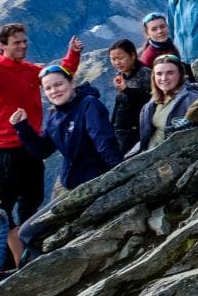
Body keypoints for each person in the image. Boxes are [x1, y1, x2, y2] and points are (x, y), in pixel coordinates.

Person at [0, 25, 82, 231]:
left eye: (24, 41)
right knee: (2, 201)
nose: (23, 46)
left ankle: (25, 239)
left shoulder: (29, 70)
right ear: (2, 46)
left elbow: (59, 76)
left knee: (33, 196)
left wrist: (73, 54)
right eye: (17, 43)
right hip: (6, 149)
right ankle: (3, 244)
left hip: (30, 142)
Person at [11, 64, 123, 259]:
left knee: (28, 232)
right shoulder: (55, 114)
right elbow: (43, 149)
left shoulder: (88, 105)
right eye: (48, 88)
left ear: (72, 83)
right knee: (29, 233)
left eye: (58, 84)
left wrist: (118, 177)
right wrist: (22, 127)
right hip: (72, 184)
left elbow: (104, 142)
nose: (54, 90)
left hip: (91, 183)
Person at [133, 55, 198, 154]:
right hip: (149, 152)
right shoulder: (155, 99)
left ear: (180, 74)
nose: (164, 78)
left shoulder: (192, 100)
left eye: (170, 73)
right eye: (159, 74)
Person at [106, 39, 151, 153]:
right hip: (121, 132)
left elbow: (149, 103)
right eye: (113, 59)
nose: (117, 63)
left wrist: (126, 90)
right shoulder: (122, 75)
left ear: (133, 55)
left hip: (136, 132)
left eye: (120, 58)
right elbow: (120, 103)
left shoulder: (145, 74)